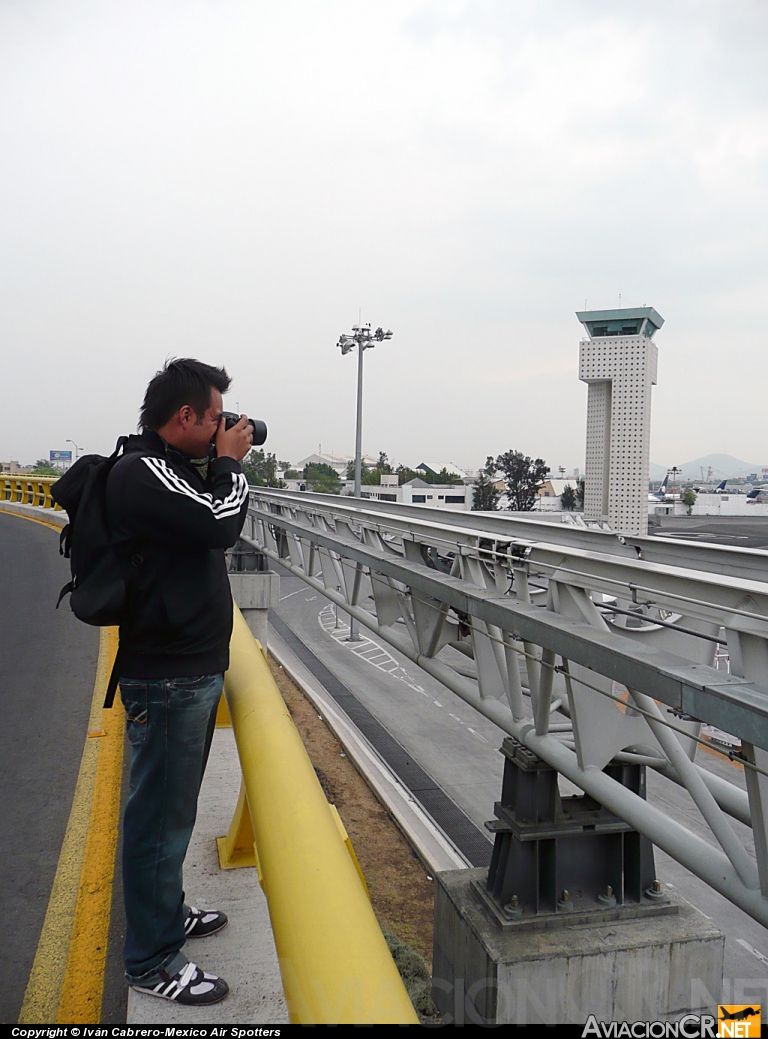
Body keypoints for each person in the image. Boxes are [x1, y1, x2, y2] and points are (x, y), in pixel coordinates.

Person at [106, 358, 254, 1005]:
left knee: (172, 814)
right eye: (217, 416)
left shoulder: (168, 471)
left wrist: (217, 458)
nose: (226, 425)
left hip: (184, 671)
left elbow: (203, 519)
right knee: (157, 823)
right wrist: (231, 460)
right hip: (166, 678)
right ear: (186, 417)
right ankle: (152, 957)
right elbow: (221, 521)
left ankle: (165, 918)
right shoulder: (142, 472)